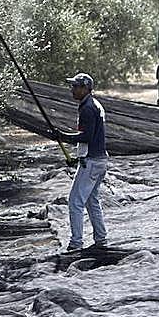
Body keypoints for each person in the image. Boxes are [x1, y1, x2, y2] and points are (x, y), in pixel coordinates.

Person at [51, 73, 109, 251]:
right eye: (72, 86)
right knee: (92, 200)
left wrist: (63, 136)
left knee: (75, 201)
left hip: (92, 162)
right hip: (99, 161)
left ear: (85, 88)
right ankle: (101, 239)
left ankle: (76, 243)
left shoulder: (87, 109)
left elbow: (87, 137)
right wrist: (78, 158)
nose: (72, 90)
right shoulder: (93, 105)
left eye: (76, 86)